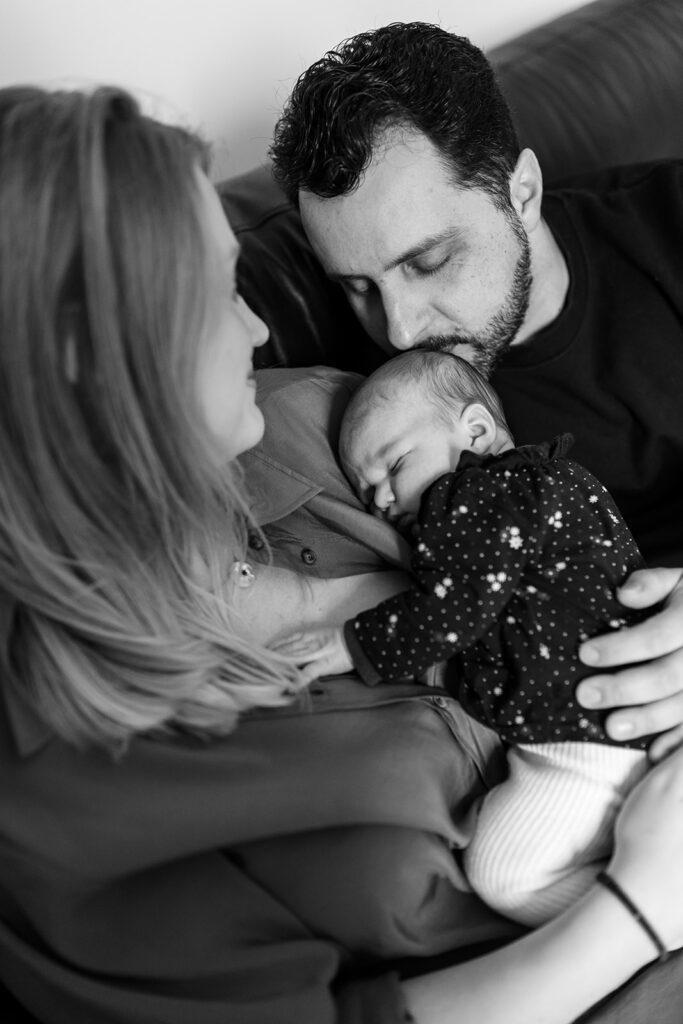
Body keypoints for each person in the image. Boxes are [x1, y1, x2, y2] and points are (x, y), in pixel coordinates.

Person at [3, 82, 683, 1024]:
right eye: (211, 293)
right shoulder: (52, 783)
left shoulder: (313, 416)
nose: (253, 325)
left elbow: (556, 546)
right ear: (96, 362)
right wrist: (638, 910)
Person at [269, 21, 683, 761]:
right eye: (357, 286)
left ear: (519, 191)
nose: (396, 329)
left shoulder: (670, 224)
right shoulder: (382, 409)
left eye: (427, 261)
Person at [276, 349, 652, 926]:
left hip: (578, 738)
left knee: (504, 875)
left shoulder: (475, 496)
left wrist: (351, 644)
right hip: (633, 713)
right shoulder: (561, 483)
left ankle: (654, 905)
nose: (379, 499)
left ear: (475, 430)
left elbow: (458, 604)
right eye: (364, 486)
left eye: (394, 465)